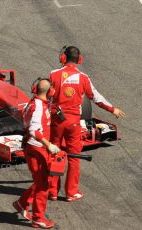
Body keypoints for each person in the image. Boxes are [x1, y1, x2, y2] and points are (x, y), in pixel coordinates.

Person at [48, 46, 125, 201]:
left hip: (56, 121)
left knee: (54, 153)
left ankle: (52, 192)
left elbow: (46, 97)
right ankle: (71, 193)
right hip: (74, 123)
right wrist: (112, 109)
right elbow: (96, 97)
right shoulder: (83, 77)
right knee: (74, 157)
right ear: (80, 59)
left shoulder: (53, 75)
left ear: (63, 58)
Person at [13, 78, 61, 229]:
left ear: (35, 89)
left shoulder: (34, 103)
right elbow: (34, 130)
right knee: (42, 185)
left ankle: (21, 203)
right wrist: (49, 145)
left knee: (41, 180)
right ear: (50, 91)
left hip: (35, 147)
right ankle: (38, 218)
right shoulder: (38, 106)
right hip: (37, 149)